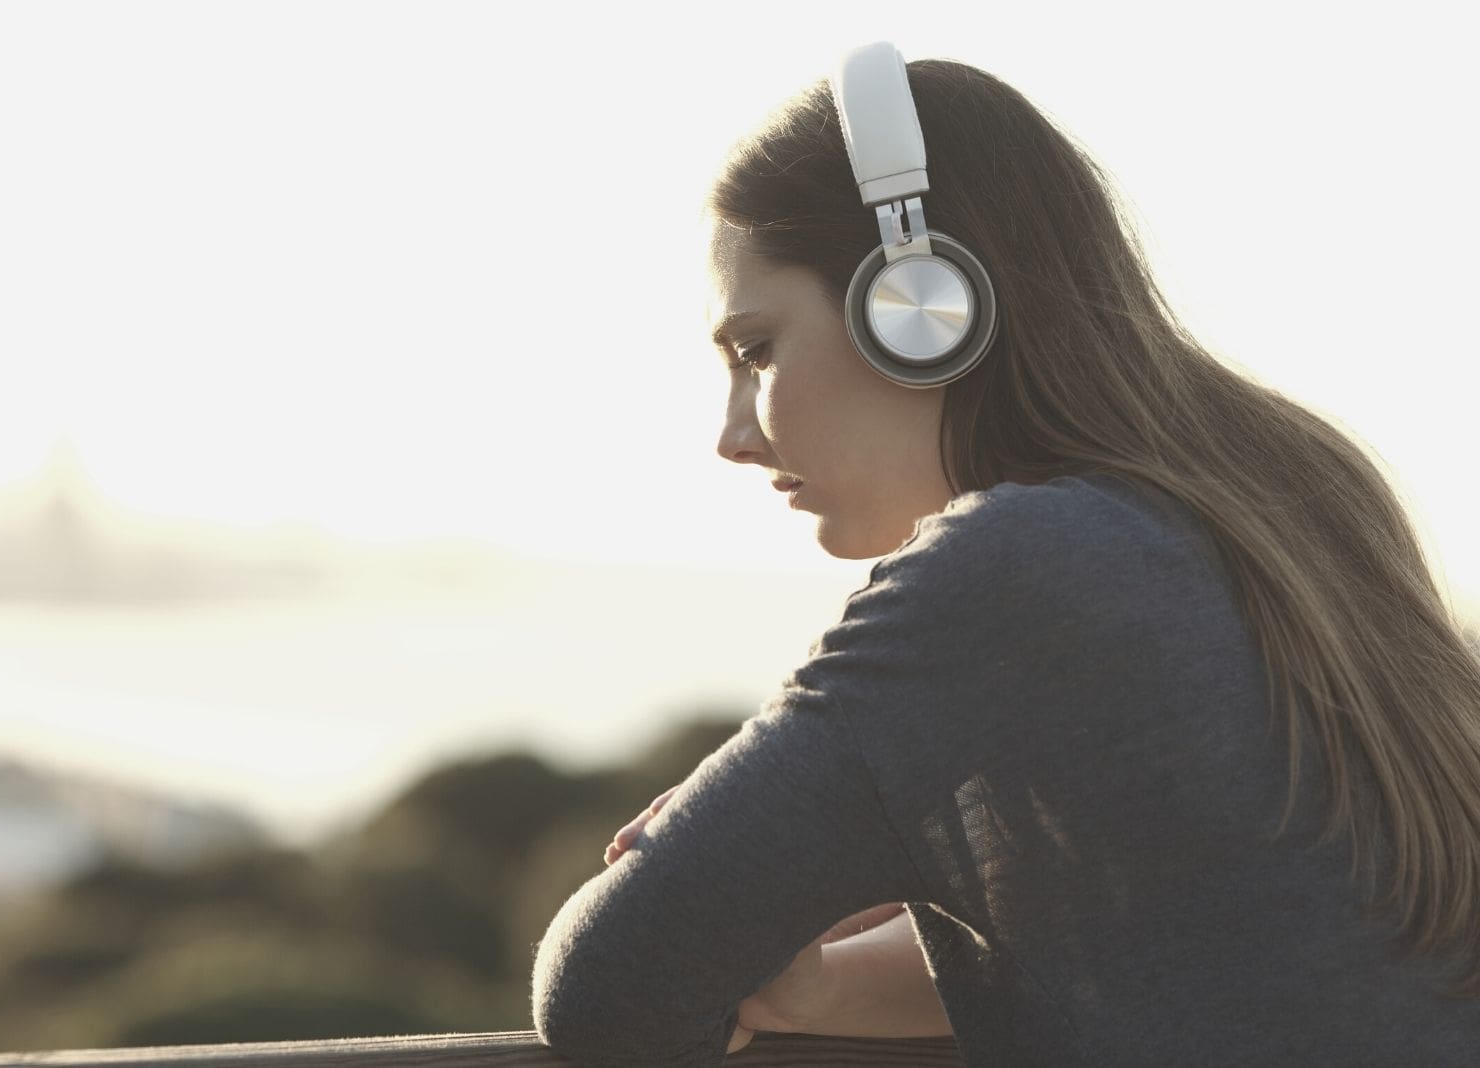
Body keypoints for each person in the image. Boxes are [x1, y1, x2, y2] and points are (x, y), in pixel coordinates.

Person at [530, 42, 1480, 1066]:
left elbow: (609, 990)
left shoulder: (1016, 569)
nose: (732, 431)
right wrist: (821, 985)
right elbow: (1192, 937)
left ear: (918, 307)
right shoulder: (1303, 489)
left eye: (755, 350)